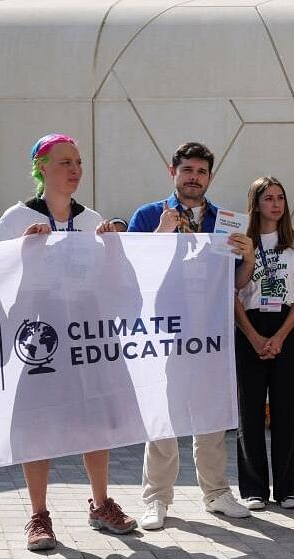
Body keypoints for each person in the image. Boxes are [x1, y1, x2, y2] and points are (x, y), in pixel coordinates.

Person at [0, 133, 137, 549]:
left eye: (78, 162)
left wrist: (112, 250)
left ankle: (101, 502)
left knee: (94, 417)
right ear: (41, 168)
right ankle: (38, 514)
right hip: (40, 331)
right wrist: (23, 253)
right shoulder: (16, 219)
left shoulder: (91, 220)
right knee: (38, 420)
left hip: (87, 329)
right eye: (63, 163)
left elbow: (117, 283)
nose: (74, 170)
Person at [127, 141, 255, 529]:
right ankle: (156, 498)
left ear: (209, 177)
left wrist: (248, 256)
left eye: (201, 172)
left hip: (211, 330)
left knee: (212, 413)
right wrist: (160, 237)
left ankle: (216, 493)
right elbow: (132, 273)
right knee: (162, 415)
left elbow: (236, 283)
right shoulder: (150, 215)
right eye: (187, 171)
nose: (194, 178)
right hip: (163, 330)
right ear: (173, 172)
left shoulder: (226, 220)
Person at [234, 177, 294, 511]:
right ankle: (253, 488)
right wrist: (254, 337)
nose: (276, 204)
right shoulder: (242, 240)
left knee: (285, 411)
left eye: (281, 197)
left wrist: (280, 336)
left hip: (287, 326)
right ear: (256, 203)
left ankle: (287, 489)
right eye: (268, 198)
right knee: (250, 411)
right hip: (250, 325)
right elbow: (233, 291)